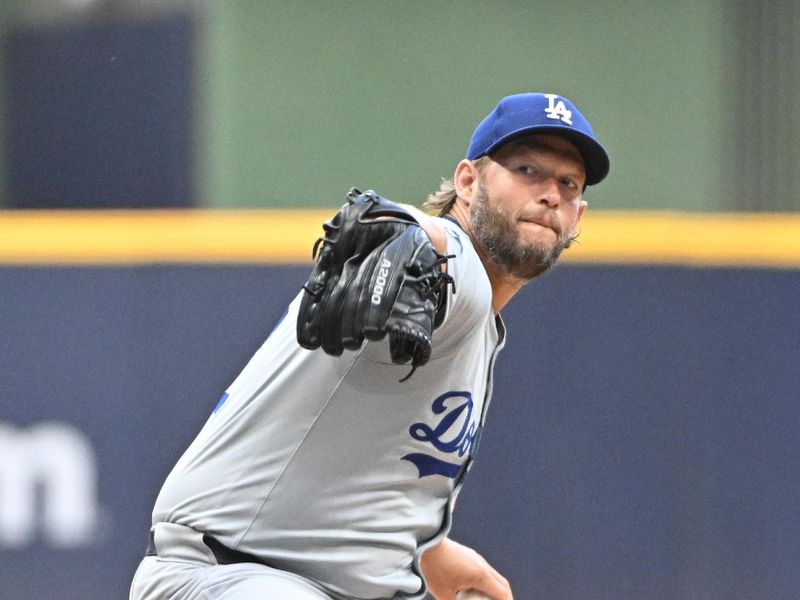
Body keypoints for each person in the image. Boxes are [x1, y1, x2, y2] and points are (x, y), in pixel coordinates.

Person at [129, 92, 610, 600]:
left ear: (578, 217)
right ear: (468, 182)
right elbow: (426, 236)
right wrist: (401, 229)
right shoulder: (456, 275)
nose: (549, 193)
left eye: (568, 183)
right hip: (233, 576)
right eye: (527, 170)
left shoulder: (480, 330)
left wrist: (429, 553)